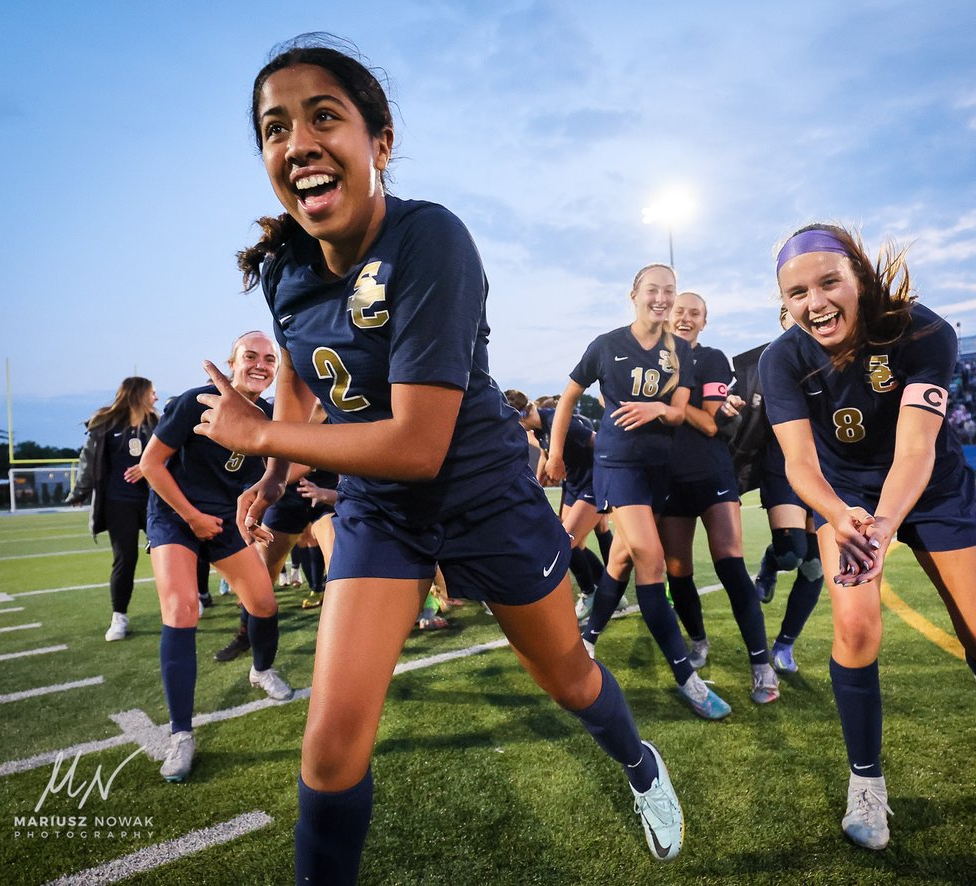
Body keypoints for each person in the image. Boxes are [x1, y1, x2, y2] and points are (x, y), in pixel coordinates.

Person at [195, 36, 683, 881]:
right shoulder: (285, 270)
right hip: (381, 511)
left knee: (569, 678)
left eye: (324, 117)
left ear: (378, 142)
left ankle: (639, 762)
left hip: (483, 495)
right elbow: (308, 381)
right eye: (275, 129)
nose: (298, 143)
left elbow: (418, 444)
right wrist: (274, 474)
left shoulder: (431, 240)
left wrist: (261, 440)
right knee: (330, 747)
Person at [760, 223, 976, 851]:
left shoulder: (922, 330)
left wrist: (886, 523)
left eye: (829, 282)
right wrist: (842, 514)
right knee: (855, 627)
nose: (815, 302)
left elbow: (916, 448)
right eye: (797, 292)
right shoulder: (782, 359)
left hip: (930, 488)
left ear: (860, 277)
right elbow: (799, 465)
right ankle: (866, 783)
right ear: (783, 301)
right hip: (845, 496)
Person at [548, 264, 733, 721]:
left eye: (668, 291)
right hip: (618, 465)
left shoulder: (680, 352)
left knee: (622, 559)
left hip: (658, 471)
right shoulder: (607, 344)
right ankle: (687, 681)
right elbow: (568, 397)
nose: (662, 298)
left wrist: (658, 407)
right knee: (651, 560)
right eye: (653, 289)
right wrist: (553, 453)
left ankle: (586, 641)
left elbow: (677, 414)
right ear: (634, 294)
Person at [140, 331, 294, 784]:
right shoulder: (196, 401)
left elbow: (249, 482)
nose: (261, 364)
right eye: (250, 356)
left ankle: (261, 670)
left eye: (270, 359)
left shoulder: (267, 417)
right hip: (174, 513)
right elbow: (151, 465)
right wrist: (191, 517)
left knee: (264, 603)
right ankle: (181, 735)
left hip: (224, 520)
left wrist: (246, 518)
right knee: (182, 610)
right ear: (232, 361)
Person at [657, 291, 780, 704]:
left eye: (694, 313)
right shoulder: (648, 361)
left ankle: (761, 667)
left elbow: (710, 423)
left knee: (730, 566)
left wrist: (669, 398)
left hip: (711, 473)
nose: (685, 318)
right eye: (680, 312)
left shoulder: (710, 358)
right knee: (678, 573)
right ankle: (698, 641)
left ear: (704, 322)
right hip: (668, 480)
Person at [753, 307, 824, 674]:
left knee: (814, 568)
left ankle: (784, 645)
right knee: (792, 554)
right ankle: (769, 561)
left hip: (828, 470)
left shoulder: (836, 354)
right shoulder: (770, 360)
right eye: (787, 312)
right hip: (783, 466)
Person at [65, 377, 159, 641]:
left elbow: (172, 455)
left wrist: (147, 467)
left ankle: (182, 605)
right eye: (153, 392)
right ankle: (119, 617)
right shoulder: (105, 425)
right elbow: (88, 461)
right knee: (125, 559)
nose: (156, 397)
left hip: (155, 501)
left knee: (168, 555)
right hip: (119, 503)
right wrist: (79, 492)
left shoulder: (158, 424)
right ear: (139, 394)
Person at [505, 389, 608, 621]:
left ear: (521, 416)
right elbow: (545, 453)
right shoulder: (539, 427)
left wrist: (611, 479)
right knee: (572, 544)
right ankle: (605, 591)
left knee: (564, 542)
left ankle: (592, 593)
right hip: (574, 486)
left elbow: (598, 442)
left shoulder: (558, 421)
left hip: (593, 485)